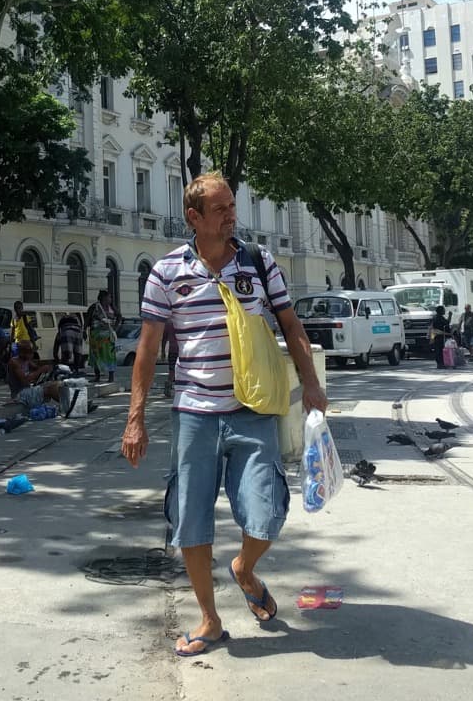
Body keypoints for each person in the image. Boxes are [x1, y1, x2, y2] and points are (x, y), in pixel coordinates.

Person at [121, 171, 327, 658]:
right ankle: (210, 620)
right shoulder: (167, 273)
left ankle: (245, 569)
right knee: (190, 521)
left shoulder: (258, 264)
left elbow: (291, 325)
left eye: (232, 206)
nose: (231, 215)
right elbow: (148, 351)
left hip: (252, 411)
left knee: (267, 513)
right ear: (194, 217)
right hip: (194, 414)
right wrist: (135, 418)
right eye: (220, 209)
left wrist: (312, 383)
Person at [8, 341, 61, 409]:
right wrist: (41, 370)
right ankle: (67, 406)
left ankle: (67, 404)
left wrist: (47, 368)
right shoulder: (14, 362)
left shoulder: (27, 361)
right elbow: (25, 380)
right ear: (22, 352)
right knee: (50, 389)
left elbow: (36, 367)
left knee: (56, 384)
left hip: (28, 390)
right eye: (29, 352)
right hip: (20, 395)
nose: (32, 354)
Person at [87, 290, 120, 383]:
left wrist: (115, 328)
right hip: (95, 336)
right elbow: (87, 318)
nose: (110, 299)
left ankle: (111, 377)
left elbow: (119, 316)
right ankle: (97, 376)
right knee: (95, 355)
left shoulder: (112, 307)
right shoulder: (95, 307)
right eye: (109, 297)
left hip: (108, 336)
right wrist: (84, 330)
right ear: (103, 298)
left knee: (110, 355)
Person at [161, 323, 178, 398]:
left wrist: (163, 351)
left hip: (173, 350)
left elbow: (164, 338)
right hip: (182, 350)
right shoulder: (183, 320)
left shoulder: (168, 324)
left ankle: (168, 386)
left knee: (172, 370)